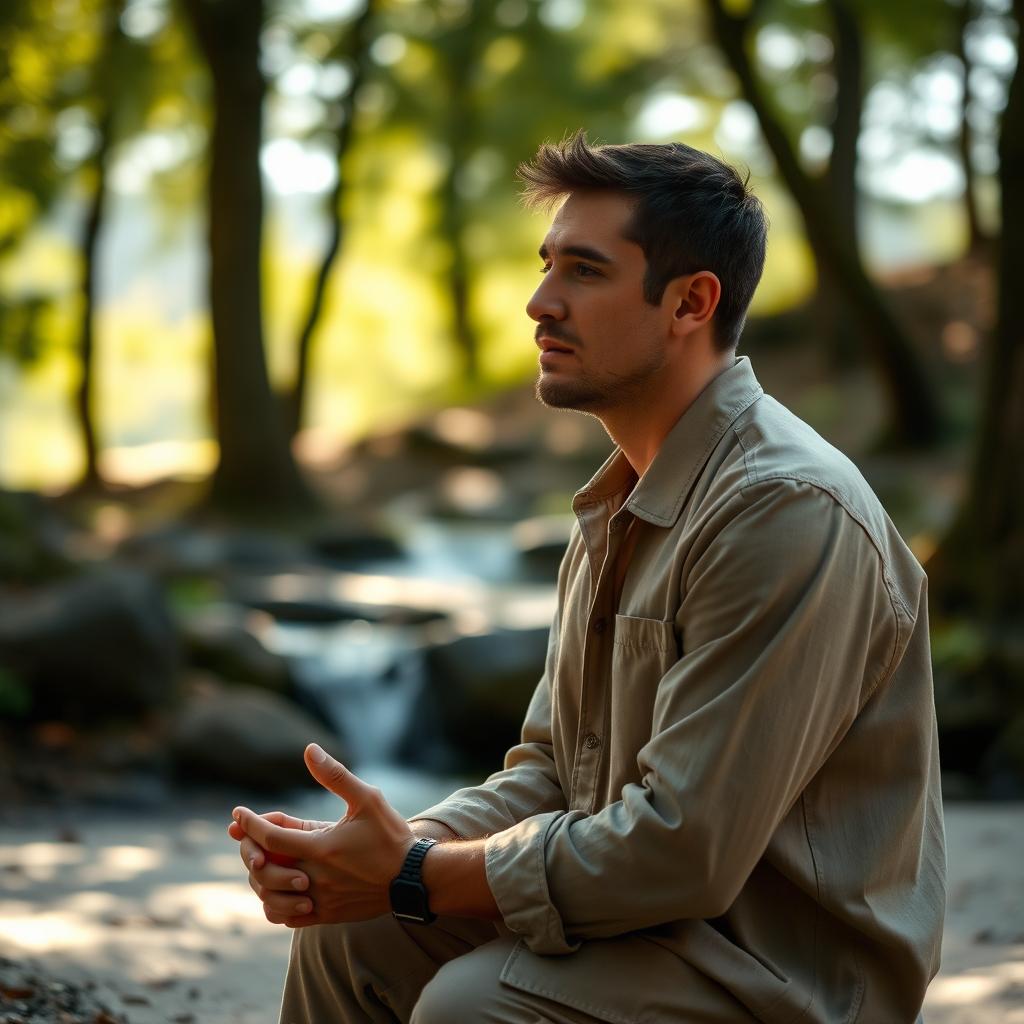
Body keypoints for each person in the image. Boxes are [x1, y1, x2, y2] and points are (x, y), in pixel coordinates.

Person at [228, 132, 946, 1023]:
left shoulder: (785, 511)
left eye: (584, 271)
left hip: (780, 976)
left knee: (470, 1005)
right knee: (351, 934)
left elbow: (689, 850)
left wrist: (414, 875)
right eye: (546, 267)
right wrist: (379, 852)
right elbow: (554, 774)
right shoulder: (619, 506)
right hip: (650, 929)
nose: (539, 302)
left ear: (690, 302)